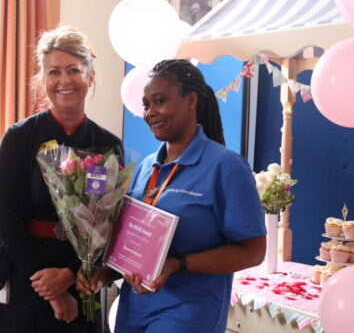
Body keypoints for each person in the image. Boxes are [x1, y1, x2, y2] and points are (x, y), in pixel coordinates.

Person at [77, 59, 266, 333]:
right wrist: (105, 273)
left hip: (189, 314)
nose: (150, 112)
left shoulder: (226, 166)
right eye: (146, 104)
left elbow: (253, 251)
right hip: (133, 312)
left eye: (159, 101)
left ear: (191, 101)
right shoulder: (145, 168)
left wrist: (177, 265)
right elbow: (137, 246)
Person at [0, 25, 123, 333]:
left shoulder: (108, 144)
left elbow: (109, 222)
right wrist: (52, 288)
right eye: (54, 72)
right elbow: (5, 215)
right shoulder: (20, 137)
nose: (64, 80)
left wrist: (70, 275)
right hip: (25, 269)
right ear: (43, 80)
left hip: (81, 277)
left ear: (90, 76)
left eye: (74, 70)